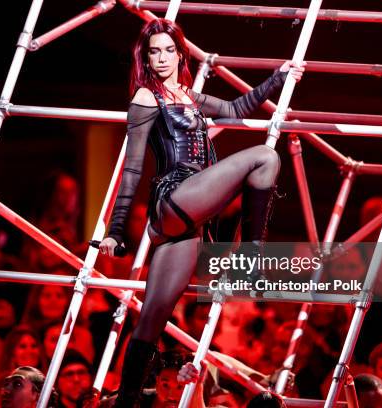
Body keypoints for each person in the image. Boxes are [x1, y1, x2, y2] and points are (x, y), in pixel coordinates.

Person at [97, 18, 305, 406]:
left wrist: (278, 77)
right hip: (174, 198)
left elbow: (235, 108)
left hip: (186, 221)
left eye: (167, 50)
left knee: (154, 316)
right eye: (153, 51)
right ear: (145, 57)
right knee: (263, 156)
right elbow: (132, 168)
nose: (160, 58)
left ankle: (125, 402)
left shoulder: (190, 97)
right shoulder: (146, 98)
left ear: (180, 53)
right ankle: (251, 259)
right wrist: (116, 229)